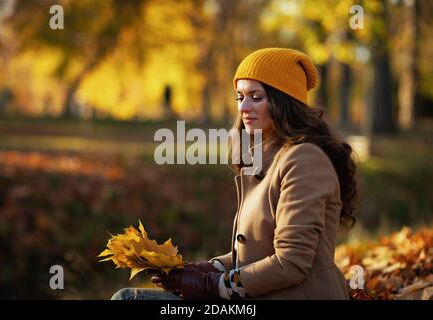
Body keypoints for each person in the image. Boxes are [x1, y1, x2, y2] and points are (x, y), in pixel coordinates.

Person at [111, 47, 358, 300]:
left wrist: (212, 285)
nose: (244, 107)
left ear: (284, 101)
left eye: (256, 96)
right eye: (240, 97)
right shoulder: (261, 158)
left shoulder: (304, 160)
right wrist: (207, 269)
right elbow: (255, 254)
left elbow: (291, 263)